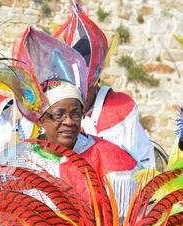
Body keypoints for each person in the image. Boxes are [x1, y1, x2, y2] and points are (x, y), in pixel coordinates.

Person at [0, 78, 140, 222]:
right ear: (40, 118)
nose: (69, 121)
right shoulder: (12, 162)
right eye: (59, 114)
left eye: (76, 114)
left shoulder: (111, 158)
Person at [54, 1, 155, 169]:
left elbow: (141, 162)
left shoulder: (122, 108)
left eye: (81, 86)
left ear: (94, 82)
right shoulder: (57, 107)